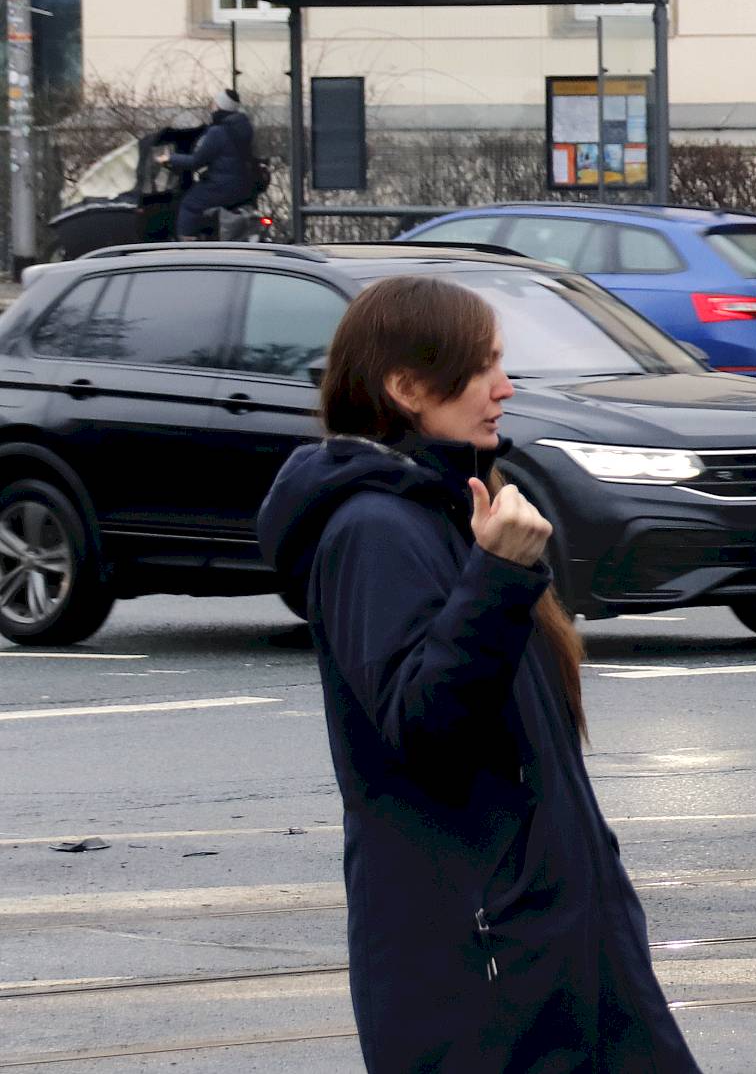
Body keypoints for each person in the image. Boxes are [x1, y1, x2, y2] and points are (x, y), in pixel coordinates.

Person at [256, 277, 698, 1073]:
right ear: (406, 387)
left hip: (553, 949)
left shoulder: (450, 505)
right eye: (482, 367)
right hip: (483, 974)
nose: (506, 387)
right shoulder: (372, 529)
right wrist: (496, 577)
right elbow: (424, 728)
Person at [161, 89, 257, 241]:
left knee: (189, 204)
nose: (211, 106)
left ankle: (187, 247)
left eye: (214, 103)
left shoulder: (217, 132)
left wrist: (170, 158)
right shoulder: (243, 128)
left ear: (219, 106)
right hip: (242, 184)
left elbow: (196, 162)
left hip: (222, 185)